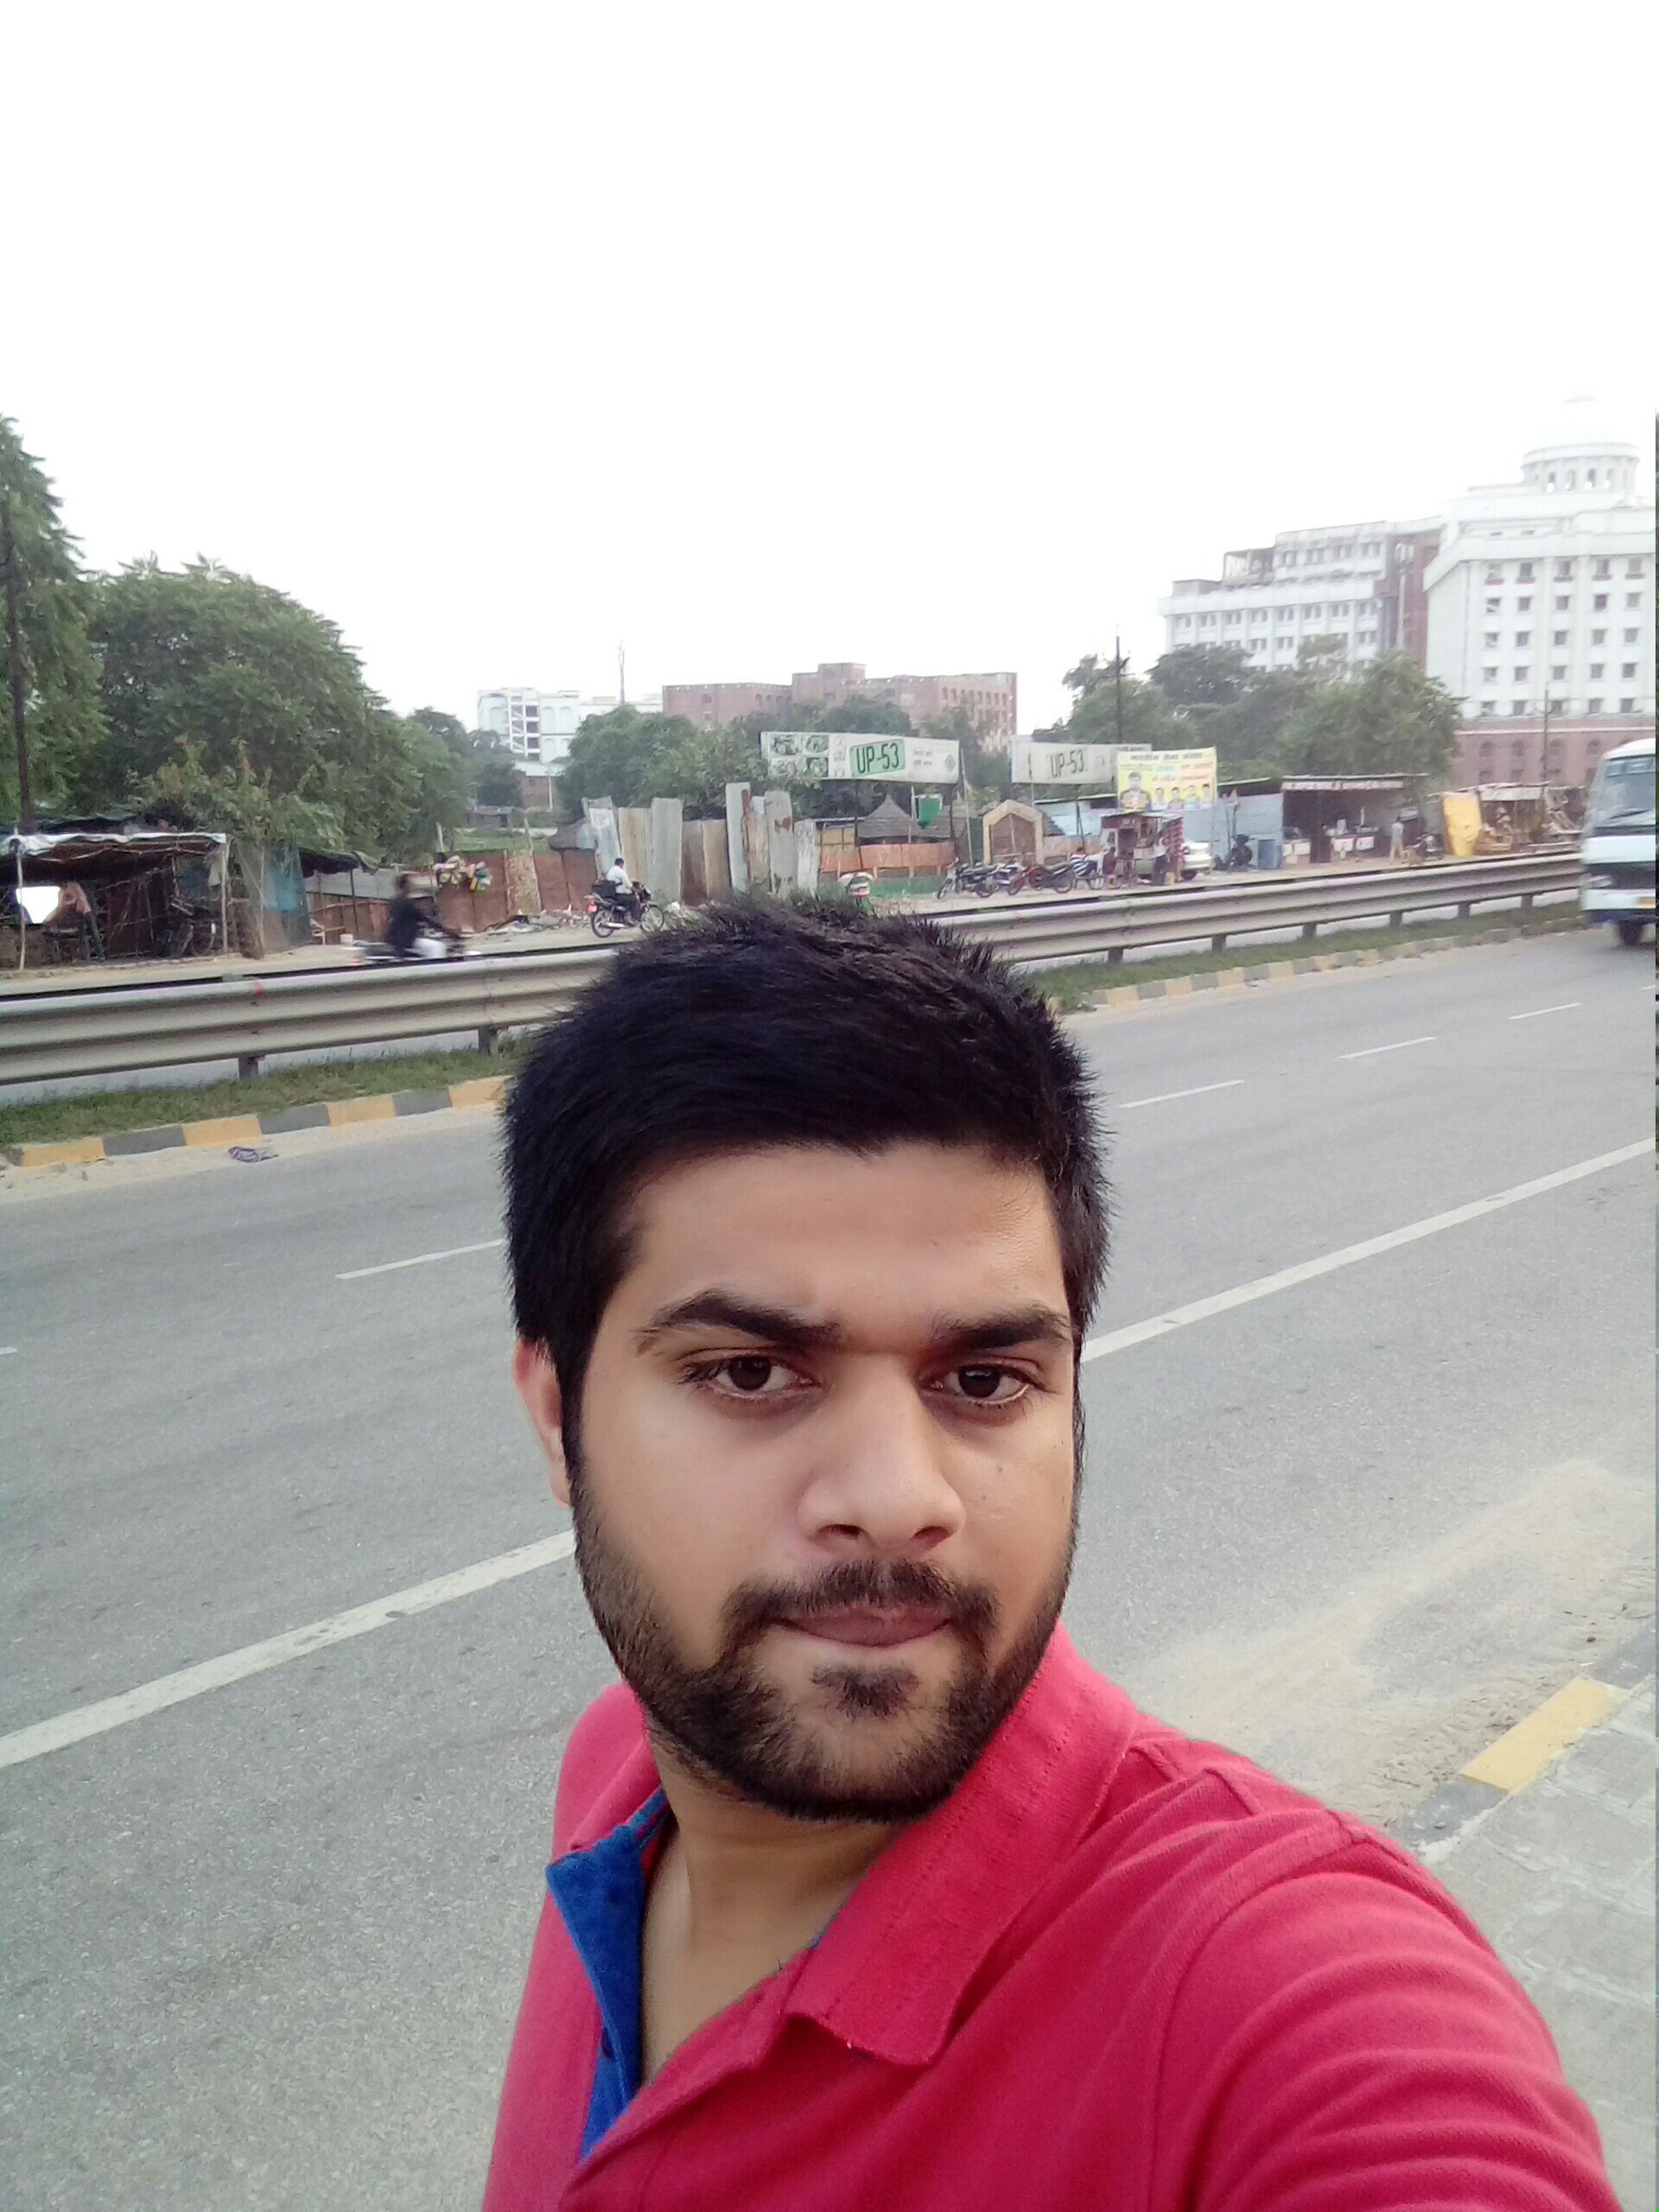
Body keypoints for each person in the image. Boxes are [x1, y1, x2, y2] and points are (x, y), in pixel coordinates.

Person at [486, 901, 1618, 2212]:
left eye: (982, 1379)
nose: (899, 1501)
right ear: (558, 1417)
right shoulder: (619, 1782)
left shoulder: (1270, 2001)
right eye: (749, 1372)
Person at [385, 872, 455, 959]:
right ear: (405, 886)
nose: (412, 886)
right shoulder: (406, 903)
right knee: (438, 947)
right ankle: (436, 967)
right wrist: (448, 932)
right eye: (410, 884)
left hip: (396, 940)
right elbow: (423, 919)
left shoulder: (395, 901)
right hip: (405, 941)